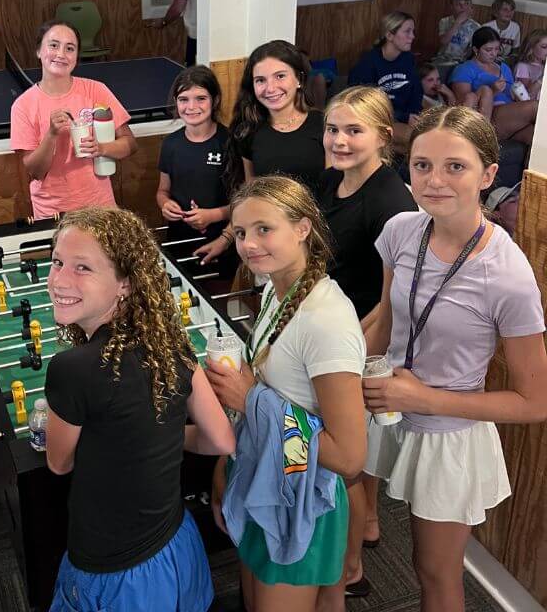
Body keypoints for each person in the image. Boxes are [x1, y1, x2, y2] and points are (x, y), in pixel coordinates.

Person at [362, 106, 547, 612]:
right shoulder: (401, 229)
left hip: (447, 434)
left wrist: (422, 396)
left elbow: (534, 402)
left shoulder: (507, 274)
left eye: (455, 167)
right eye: (422, 165)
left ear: (489, 174)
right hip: (384, 405)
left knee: (434, 573)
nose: (434, 181)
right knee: (350, 522)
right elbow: (384, 320)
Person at [43, 207, 235, 612]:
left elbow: (59, 464)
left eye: (83, 268)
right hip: (175, 544)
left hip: (111, 569)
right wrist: (154, 434)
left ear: (126, 284)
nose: (59, 280)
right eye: (58, 262)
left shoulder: (70, 369)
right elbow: (220, 437)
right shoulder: (173, 344)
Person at [206, 176, 367, 611]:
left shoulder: (325, 320)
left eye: (264, 229)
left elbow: (350, 457)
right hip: (267, 478)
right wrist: (227, 465)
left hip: (302, 503)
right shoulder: (279, 291)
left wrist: (251, 399)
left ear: (303, 228)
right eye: (240, 233)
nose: (249, 244)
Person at [317, 87, 417, 599]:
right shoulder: (335, 181)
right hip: (337, 332)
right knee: (364, 454)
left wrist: (347, 357)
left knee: (346, 464)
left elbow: (392, 300)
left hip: (359, 344)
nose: (340, 140)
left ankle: (351, 568)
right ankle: (371, 525)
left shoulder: (391, 202)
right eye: (334, 129)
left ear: (382, 135)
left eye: (354, 131)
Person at [196, 40, 325, 268]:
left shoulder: (324, 126)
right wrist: (226, 239)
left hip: (317, 241)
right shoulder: (249, 132)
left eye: (280, 76)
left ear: (299, 79)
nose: (270, 88)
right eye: (260, 80)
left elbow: (337, 190)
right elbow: (250, 197)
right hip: (271, 246)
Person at [10, 20, 137, 220]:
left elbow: (129, 143)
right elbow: (35, 172)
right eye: (53, 45)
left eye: (70, 48)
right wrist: (51, 135)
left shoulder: (97, 90)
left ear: (76, 57)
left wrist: (102, 149)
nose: (61, 54)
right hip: (53, 214)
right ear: (39, 51)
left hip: (101, 208)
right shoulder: (22, 105)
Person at [156, 65, 237, 281]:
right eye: (184, 99)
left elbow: (245, 203)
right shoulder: (171, 144)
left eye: (200, 98)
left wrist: (212, 215)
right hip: (178, 242)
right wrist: (165, 204)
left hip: (220, 243)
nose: (191, 107)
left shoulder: (230, 143)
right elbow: (162, 190)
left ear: (215, 100)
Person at [449, 27, 538, 145]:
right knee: (535, 107)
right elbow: (465, 104)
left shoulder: (503, 67)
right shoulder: (464, 69)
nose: (493, 54)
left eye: (497, 49)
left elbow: (512, 95)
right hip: (489, 116)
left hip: (511, 114)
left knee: (537, 140)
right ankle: (483, 138)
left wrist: (518, 94)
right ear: (476, 49)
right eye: (488, 50)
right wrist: (494, 90)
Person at [348, 11, 422, 151]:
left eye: (413, 31)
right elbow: (364, 105)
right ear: (389, 35)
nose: (412, 36)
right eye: (407, 31)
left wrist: (415, 114)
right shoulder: (368, 63)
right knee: (417, 139)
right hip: (377, 119)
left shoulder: (408, 59)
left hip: (404, 116)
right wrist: (405, 117)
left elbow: (416, 90)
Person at [433, 0, 480, 75]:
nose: (463, 7)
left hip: (461, 63)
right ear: (451, 6)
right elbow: (443, 41)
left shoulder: (476, 27)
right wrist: (457, 22)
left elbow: (472, 51)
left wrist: (463, 62)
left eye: (466, 4)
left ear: (471, 6)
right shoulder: (445, 21)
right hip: (442, 59)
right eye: (458, 4)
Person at [513, 28, 546, 101]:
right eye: (544, 47)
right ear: (531, 47)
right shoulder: (522, 67)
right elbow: (526, 96)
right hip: (529, 107)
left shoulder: (544, 67)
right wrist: (542, 78)